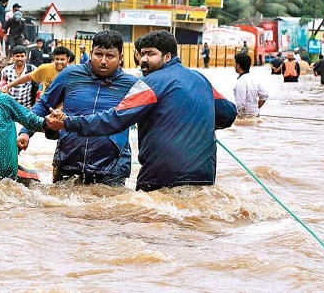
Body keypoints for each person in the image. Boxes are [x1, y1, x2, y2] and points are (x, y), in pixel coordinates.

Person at [46, 30, 237, 192]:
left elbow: (115, 119)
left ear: (167, 56)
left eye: (151, 54)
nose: (144, 60)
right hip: (204, 176)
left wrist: (68, 123)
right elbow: (228, 114)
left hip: (160, 177)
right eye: (142, 54)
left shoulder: (150, 83)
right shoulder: (201, 79)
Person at [18, 30, 139, 186]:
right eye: (98, 54)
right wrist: (25, 132)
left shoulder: (131, 85)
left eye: (110, 56)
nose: (103, 61)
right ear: (91, 53)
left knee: (110, 208)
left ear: (120, 58)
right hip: (69, 160)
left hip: (112, 167)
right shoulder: (70, 74)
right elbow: (44, 104)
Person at [1, 46, 72, 97]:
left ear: (68, 59)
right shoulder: (44, 68)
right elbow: (27, 77)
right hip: (44, 105)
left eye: (62, 59)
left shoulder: (72, 73)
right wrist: (7, 86)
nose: (59, 62)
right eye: (57, 59)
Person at [234, 53, 268, 118]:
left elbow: (240, 104)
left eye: (235, 64)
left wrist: (235, 117)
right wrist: (255, 108)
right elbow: (264, 96)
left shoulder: (240, 82)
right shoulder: (254, 79)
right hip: (255, 115)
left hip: (244, 118)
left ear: (238, 65)